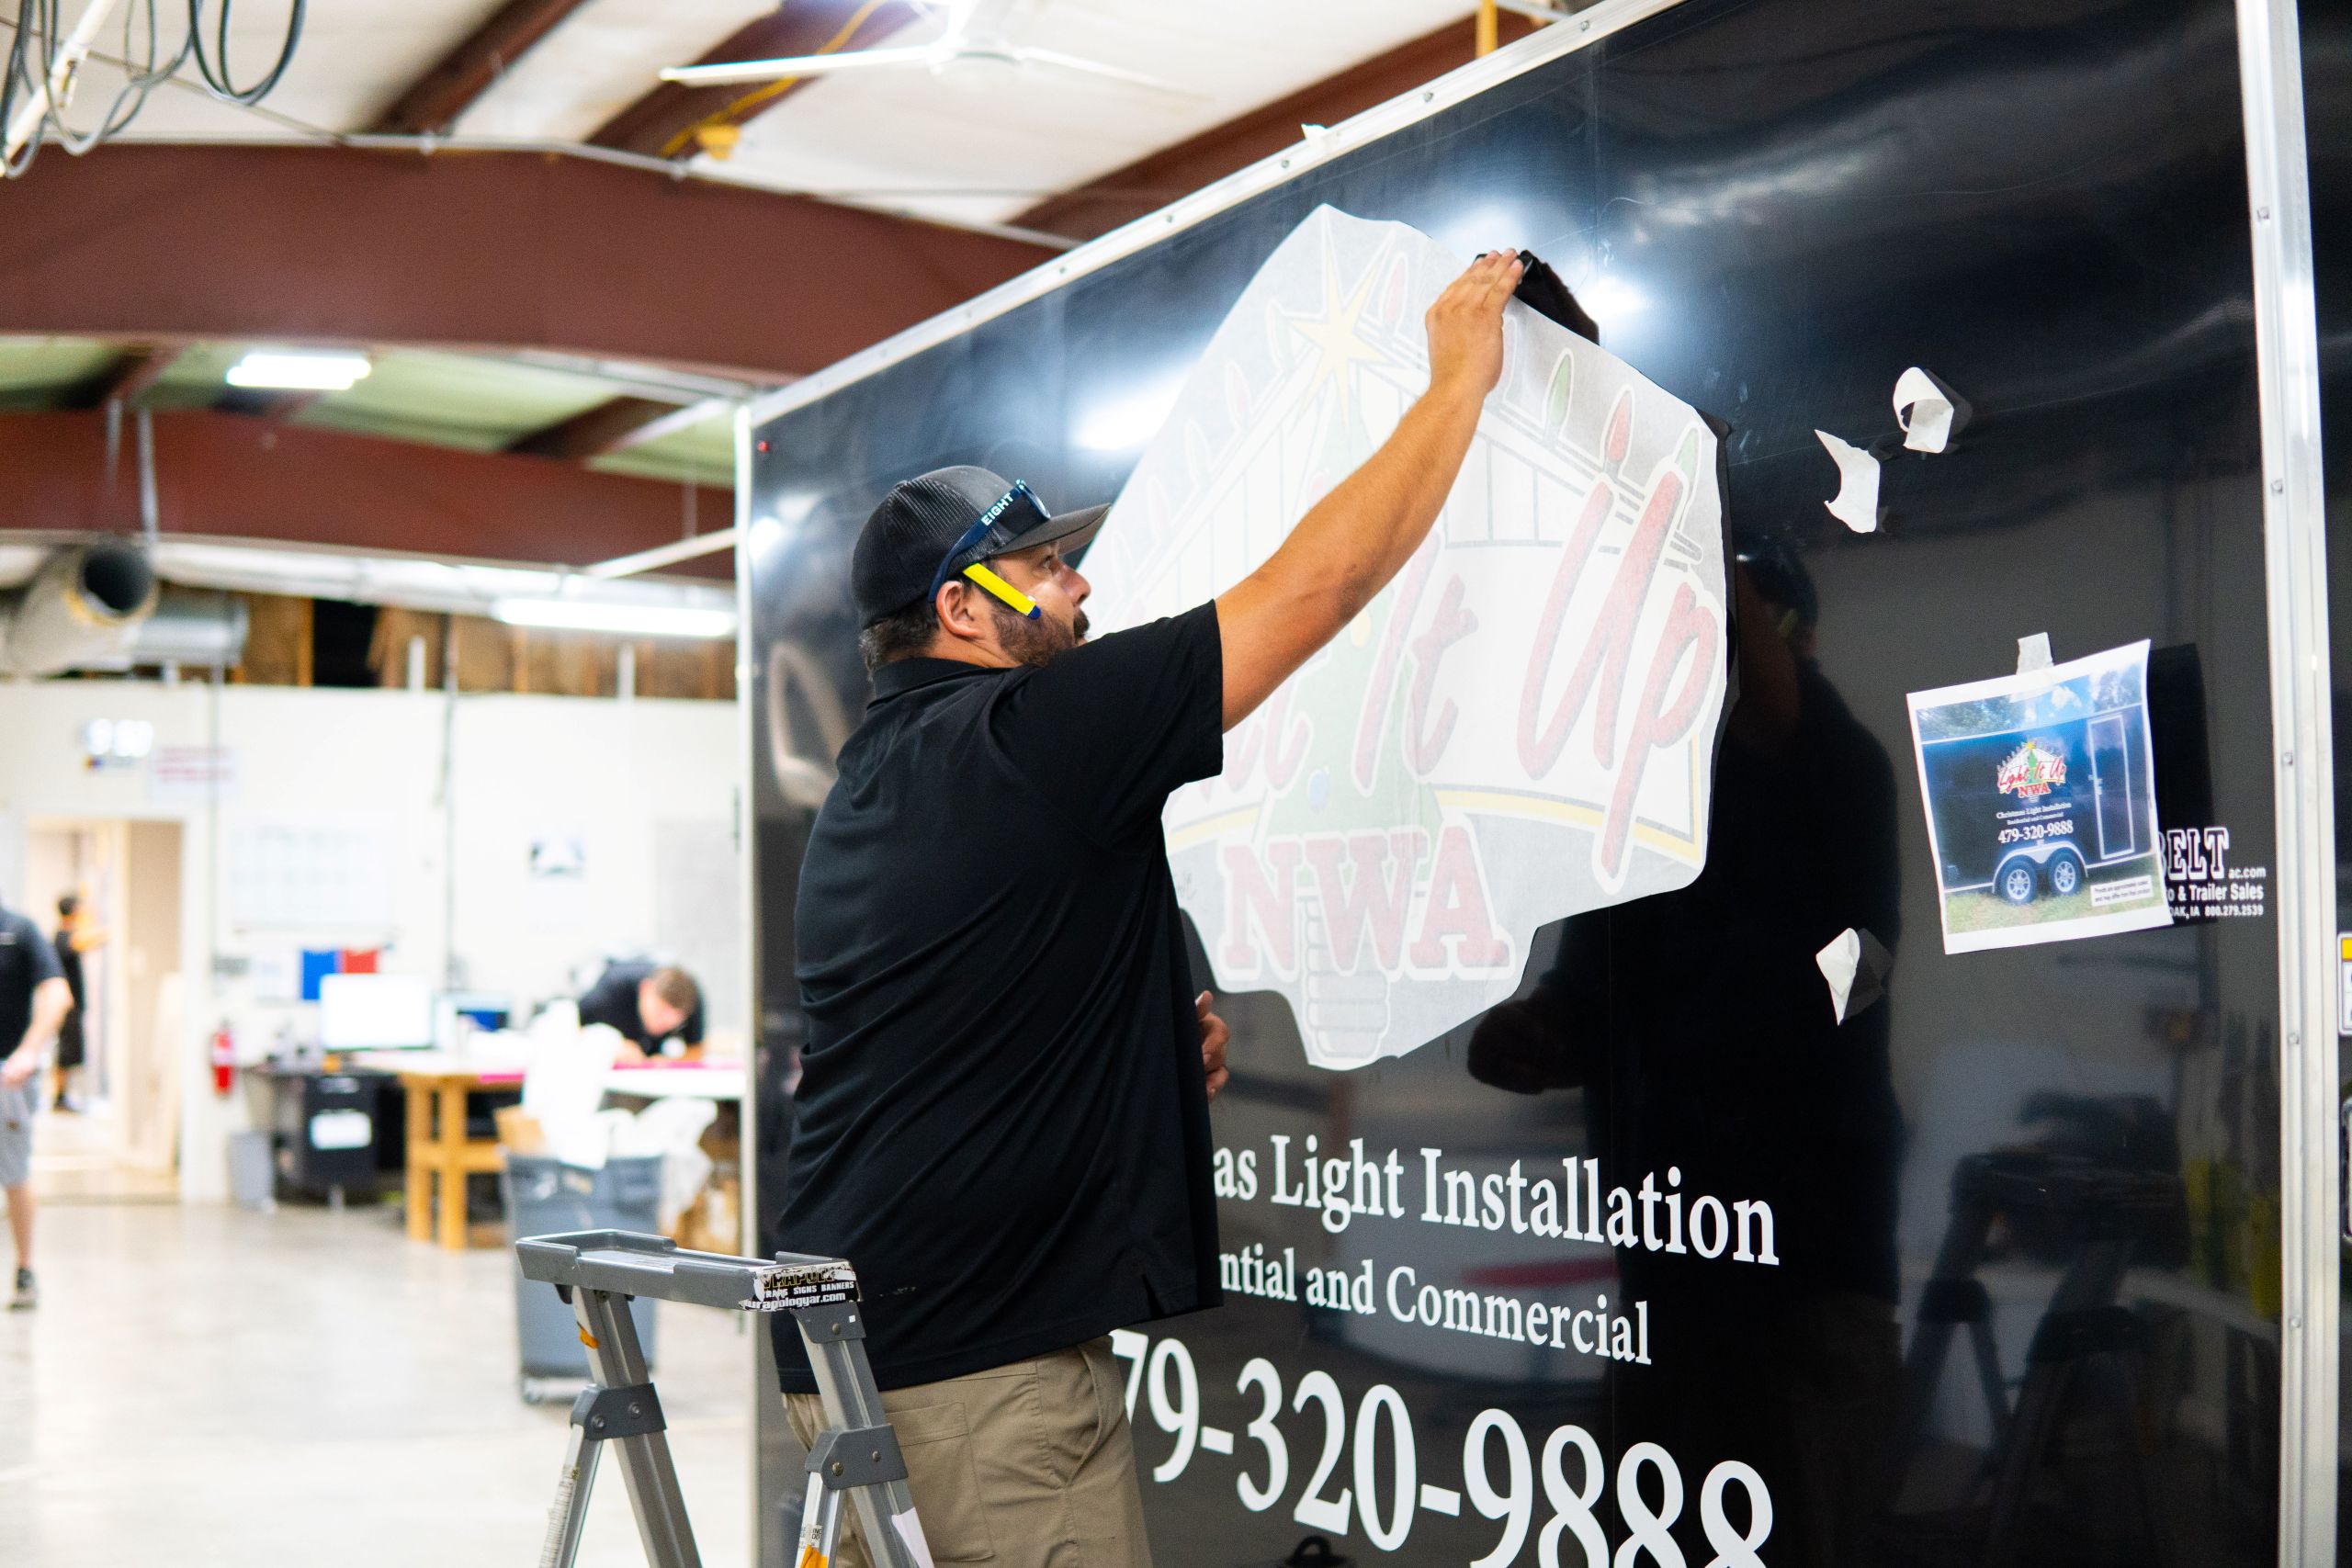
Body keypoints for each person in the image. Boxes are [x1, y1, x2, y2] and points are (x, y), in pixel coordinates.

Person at [773, 250, 1523, 1566]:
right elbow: (1318, 588)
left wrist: (1127, 1059)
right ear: (962, 606)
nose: (1079, 584)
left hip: (871, 1348)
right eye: (1044, 569)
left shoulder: (878, 779)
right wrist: (1457, 379)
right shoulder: (1029, 731)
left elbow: (958, 1016)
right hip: (983, 1383)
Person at [0, 896, 72, 1311]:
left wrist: (28, 1051)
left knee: (14, 1173)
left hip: (9, 1078)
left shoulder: (19, 931)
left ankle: (25, 1268)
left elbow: (57, 995)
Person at [576, 960, 703, 1062]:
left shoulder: (692, 1000)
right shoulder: (612, 989)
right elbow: (569, 1028)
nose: (662, 1024)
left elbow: (696, 1049)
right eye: (659, 1013)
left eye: (673, 1020)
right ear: (645, 988)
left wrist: (671, 1063)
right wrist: (609, 1046)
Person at [51, 893, 93, 1113]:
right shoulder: (63, 938)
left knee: (68, 1052)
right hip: (67, 1006)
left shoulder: (68, 936)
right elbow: (88, 940)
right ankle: (59, 1098)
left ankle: (62, 1096)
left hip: (71, 1004)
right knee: (65, 1052)